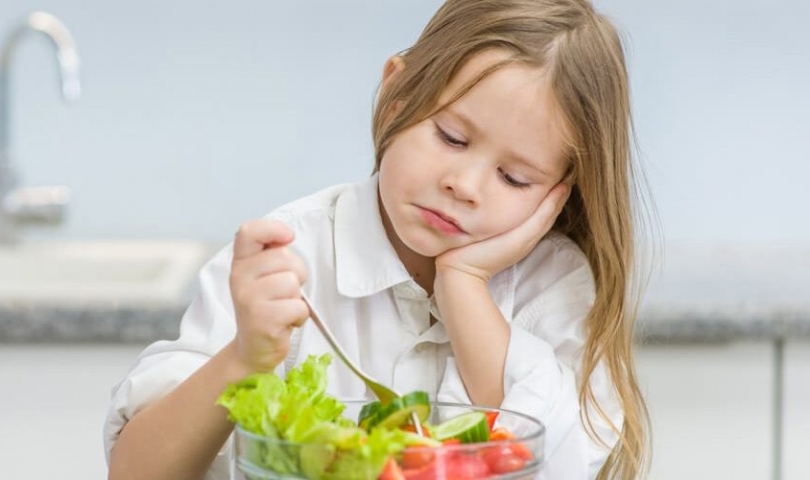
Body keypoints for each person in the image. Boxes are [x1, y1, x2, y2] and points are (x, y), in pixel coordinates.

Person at [105, 0, 652, 478]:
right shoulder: (288, 259)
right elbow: (136, 473)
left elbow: (554, 463)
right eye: (451, 137)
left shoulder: (555, 286)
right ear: (395, 94)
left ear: (558, 193)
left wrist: (462, 283)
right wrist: (245, 356)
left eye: (514, 178)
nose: (463, 185)